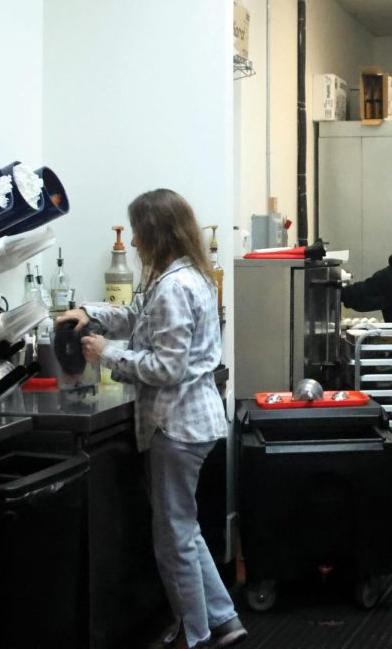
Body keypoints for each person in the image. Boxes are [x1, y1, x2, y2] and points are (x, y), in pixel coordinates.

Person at [57, 189, 246, 649]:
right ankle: (223, 620)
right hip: (192, 423)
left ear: (156, 234)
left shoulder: (174, 287)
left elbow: (166, 368)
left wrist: (106, 355)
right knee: (185, 527)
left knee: (172, 538)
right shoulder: (183, 278)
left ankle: (193, 635)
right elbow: (135, 316)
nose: (135, 243)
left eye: (139, 232)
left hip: (176, 426)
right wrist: (90, 313)